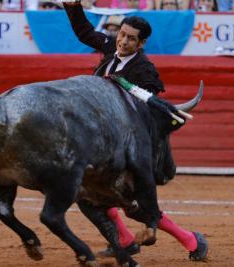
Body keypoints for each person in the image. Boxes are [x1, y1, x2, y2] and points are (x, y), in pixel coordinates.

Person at [63, 0, 208, 261]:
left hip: (127, 142)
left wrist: (122, 87)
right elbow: (85, 33)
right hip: (100, 137)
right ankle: (126, 240)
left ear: (140, 44)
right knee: (87, 193)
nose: (122, 41)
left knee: (135, 205)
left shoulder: (145, 70)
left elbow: (144, 112)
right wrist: (73, 6)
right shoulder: (110, 49)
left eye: (130, 39)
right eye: (121, 34)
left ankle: (189, 240)